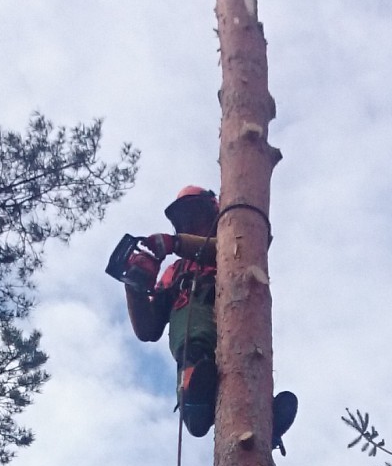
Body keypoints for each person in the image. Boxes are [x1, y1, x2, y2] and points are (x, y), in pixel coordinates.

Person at [107, 183, 297, 447]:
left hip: (236, 333)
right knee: (195, 363)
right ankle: (194, 400)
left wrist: (174, 244)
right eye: (184, 220)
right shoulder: (176, 271)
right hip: (194, 344)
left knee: (248, 366)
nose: (191, 223)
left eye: (196, 215)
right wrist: (134, 285)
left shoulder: (235, 245)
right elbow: (147, 329)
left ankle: (262, 416)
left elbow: (230, 252)